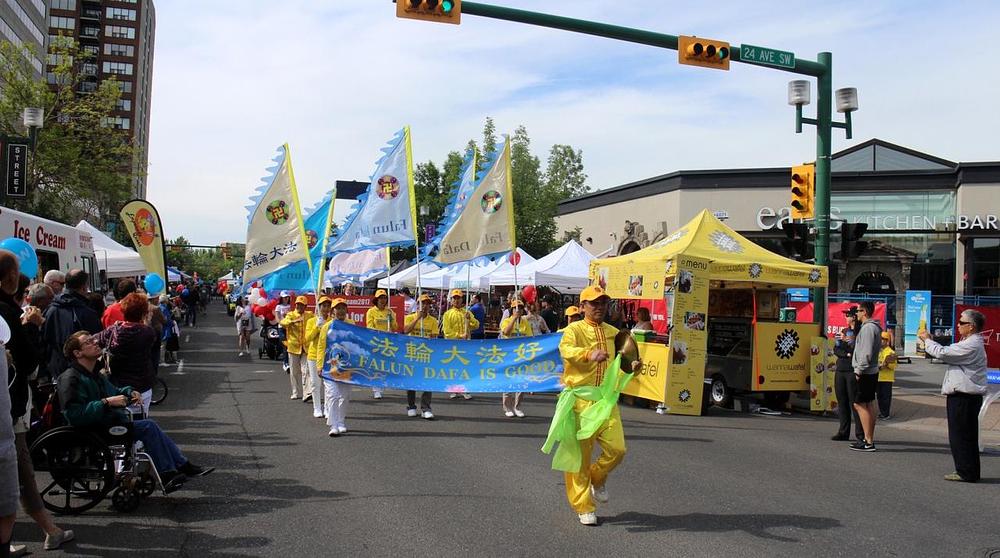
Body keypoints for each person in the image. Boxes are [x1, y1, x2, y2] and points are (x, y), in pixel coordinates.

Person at [58, 331, 213, 493]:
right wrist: (106, 403)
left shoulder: (93, 374)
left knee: (149, 425)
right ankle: (169, 472)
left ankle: (182, 466)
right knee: (148, 427)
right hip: (93, 430)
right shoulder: (70, 378)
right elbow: (74, 415)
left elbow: (114, 391)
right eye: (88, 342)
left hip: (105, 423)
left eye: (93, 339)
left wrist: (129, 392)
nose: (95, 342)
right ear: (77, 353)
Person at [552, 285, 635, 526]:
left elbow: (626, 360)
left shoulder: (615, 333)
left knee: (617, 449)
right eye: (594, 303)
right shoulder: (573, 330)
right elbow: (566, 350)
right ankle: (584, 506)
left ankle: (597, 478)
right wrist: (588, 355)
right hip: (579, 400)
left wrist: (634, 366)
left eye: (603, 303)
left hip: (605, 400)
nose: (599, 307)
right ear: (583, 306)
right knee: (579, 457)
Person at [920, 309, 988, 482]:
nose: (958, 325)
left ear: (971, 327)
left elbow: (944, 353)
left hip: (965, 395)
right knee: (964, 434)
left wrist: (928, 340)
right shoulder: (968, 341)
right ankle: (967, 470)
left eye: (962, 323)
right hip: (963, 394)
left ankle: (966, 471)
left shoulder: (971, 344)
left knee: (961, 435)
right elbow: (946, 352)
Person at [92, 293, 159, 416]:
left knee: (121, 421)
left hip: (117, 384)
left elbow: (94, 340)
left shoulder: (113, 330)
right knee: (140, 418)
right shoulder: (147, 332)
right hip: (142, 384)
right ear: (143, 313)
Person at [41, 269, 102, 384]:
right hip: (82, 375)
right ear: (84, 287)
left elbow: (43, 340)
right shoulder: (87, 313)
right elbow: (98, 342)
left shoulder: (50, 309)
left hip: (56, 372)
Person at [318, 298, 354, 436]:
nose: (340, 311)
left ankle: (341, 421)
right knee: (332, 395)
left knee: (344, 396)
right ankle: (333, 425)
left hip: (346, 366)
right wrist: (319, 365)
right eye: (337, 308)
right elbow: (321, 346)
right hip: (330, 365)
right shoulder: (327, 326)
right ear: (333, 311)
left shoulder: (352, 325)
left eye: (343, 308)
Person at [850, 301, 882, 452]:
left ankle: (868, 440)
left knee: (859, 404)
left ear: (865, 312)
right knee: (868, 403)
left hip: (866, 371)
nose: (856, 314)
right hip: (871, 371)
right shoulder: (871, 327)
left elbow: (866, 351)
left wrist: (859, 370)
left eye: (858, 311)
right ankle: (867, 439)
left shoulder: (868, 328)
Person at [403, 294, 438, 419]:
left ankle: (426, 408)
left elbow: (434, 337)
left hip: (426, 354)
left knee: (427, 381)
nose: (425, 306)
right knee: (411, 381)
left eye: (428, 303)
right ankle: (411, 406)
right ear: (417, 304)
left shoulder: (433, 321)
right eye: (423, 303)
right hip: (412, 353)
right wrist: (417, 319)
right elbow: (406, 331)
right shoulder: (409, 317)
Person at [831, 308, 863, 441]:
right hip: (841, 368)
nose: (846, 317)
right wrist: (847, 353)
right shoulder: (843, 331)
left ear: (854, 317)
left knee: (854, 403)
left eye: (848, 315)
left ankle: (861, 434)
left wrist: (850, 343)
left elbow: (858, 348)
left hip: (852, 370)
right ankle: (843, 432)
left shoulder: (860, 332)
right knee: (842, 401)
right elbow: (836, 348)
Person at [442, 289, 478, 400]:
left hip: (466, 345)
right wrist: (459, 335)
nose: (457, 300)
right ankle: (454, 390)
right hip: (453, 345)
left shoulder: (467, 312)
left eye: (459, 298)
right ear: (451, 300)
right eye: (454, 298)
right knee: (453, 368)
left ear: (462, 299)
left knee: (466, 368)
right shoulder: (447, 314)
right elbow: (447, 332)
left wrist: (470, 318)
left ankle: (465, 389)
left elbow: (476, 325)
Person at [500, 299, 532, 417]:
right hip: (509, 356)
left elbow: (530, 338)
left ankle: (517, 407)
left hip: (521, 356)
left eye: (520, 308)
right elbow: (506, 333)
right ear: (512, 310)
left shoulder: (525, 322)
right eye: (515, 308)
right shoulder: (506, 321)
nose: (518, 310)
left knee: (521, 381)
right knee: (508, 381)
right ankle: (507, 407)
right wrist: (513, 319)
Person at [280, 296, 314, 401]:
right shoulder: (290, 315)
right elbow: (283, 323)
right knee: (294, 372)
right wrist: (293, 321)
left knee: (306, 371)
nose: (299, 306)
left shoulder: (309, 315)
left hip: (306, 348)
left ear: (305, 306)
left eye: (302, 305)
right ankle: (295, 392)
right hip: (293, 347)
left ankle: (307, 393)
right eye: (298, 304)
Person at [304, 297, 332, 419]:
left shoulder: (333, 321)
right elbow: (308, 338)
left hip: (329, 356)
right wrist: (317, 327)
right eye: (323, 306)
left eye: (327, 306)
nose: (325, 308)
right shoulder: (311, 321)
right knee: (315, 383)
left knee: (328, 384)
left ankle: (326, 407)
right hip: (314, 355)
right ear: (319, 307)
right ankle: (317, 408)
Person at [364, 290, 395, 400]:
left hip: (387, 343)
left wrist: (391, 320)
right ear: (376, 300)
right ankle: (376, 389)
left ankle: (381, 385)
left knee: (384, 366)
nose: (383, 300)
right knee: (376, 365)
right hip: (375, 341)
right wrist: (379, 334)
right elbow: (369, 326)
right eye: (380, 298)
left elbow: (394, 327)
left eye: (384, 298)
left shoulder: (389, 311)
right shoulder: (371, 311)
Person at [876, 332, 897, 419]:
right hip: (878, 377)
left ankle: (886, 414)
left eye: (882, 339)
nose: (880, 341)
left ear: (887, 341)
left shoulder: (891, 352)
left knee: (886, 397)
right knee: (879, 396)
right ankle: (882, 412)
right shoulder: (878, 351)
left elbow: (893, 366)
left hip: (887, 379)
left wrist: (886, 364)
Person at [161, 294, 180, 363]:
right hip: (165, 329)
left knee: (164, 346)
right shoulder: (164, 308)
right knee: (163, 346)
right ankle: (162, 361)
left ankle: (165, 359)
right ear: (165, 301)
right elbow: (166, 320)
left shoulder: (161, 307)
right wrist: (172, 323)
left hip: (162, 329)